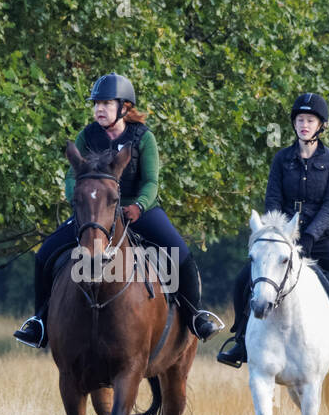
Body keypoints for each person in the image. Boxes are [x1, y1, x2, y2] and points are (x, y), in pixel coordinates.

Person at [12, 73, 223, 348]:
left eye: (106, 104)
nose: (99, 109)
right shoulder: (86, 136)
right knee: (45, 255)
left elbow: (151, 182)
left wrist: (139, 206)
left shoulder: (144, 138)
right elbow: (71, 177)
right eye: (96, 104)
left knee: (179, 252)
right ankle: (39, 322)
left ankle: (196, 315)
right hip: (93, 214)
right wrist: (77, 202)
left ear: (124, 107)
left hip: (138, 210)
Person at [217, 92, 329, 372]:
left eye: (310, 120)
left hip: (319, 237)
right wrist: (278, 231)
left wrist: (311, 235)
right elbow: (273, 200)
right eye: (300, 119)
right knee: (243, 280)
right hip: (281, 239)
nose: (304, 124)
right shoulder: (282, 159)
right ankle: (240, 339)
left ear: (320, 125)